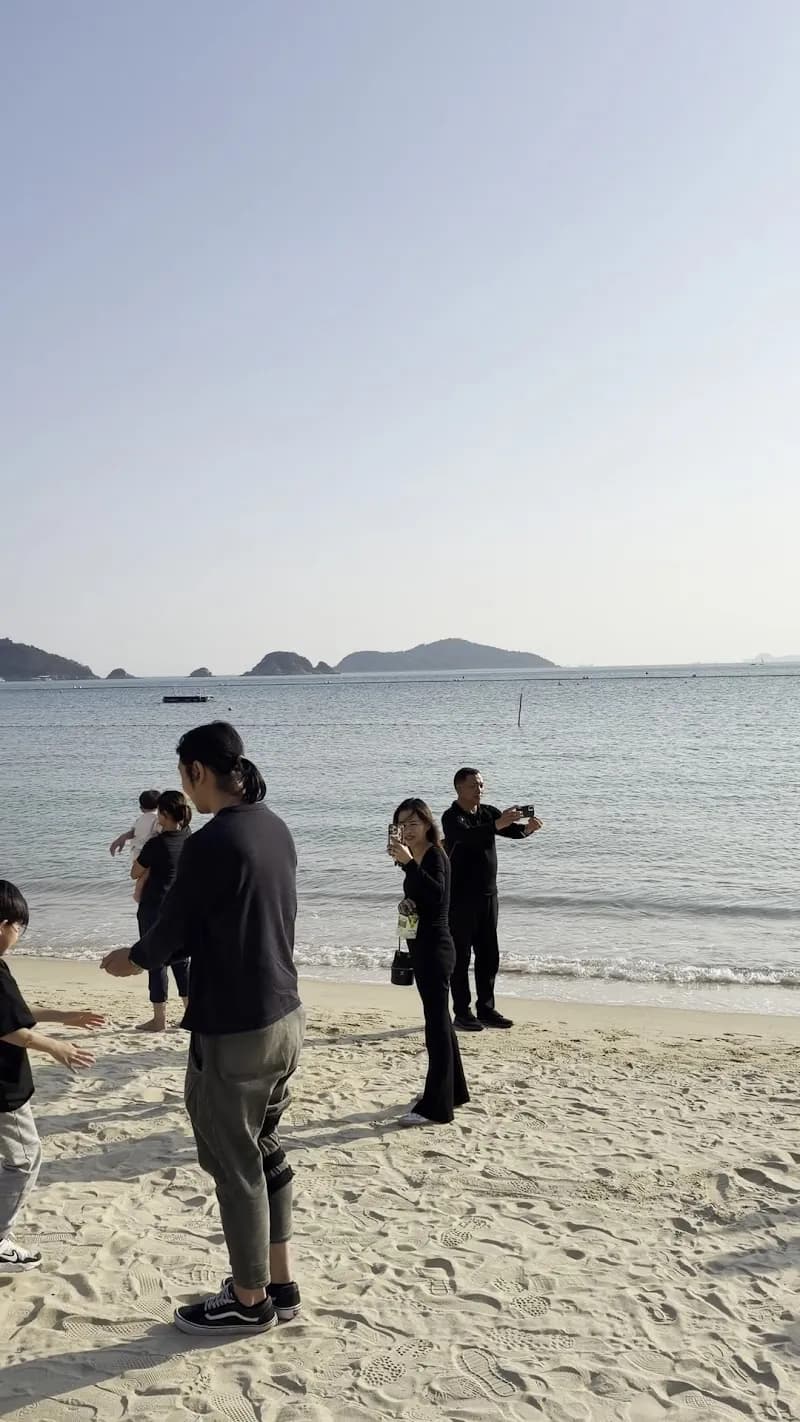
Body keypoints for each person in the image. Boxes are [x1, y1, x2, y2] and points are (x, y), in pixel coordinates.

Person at [101, 722, 304, 1338]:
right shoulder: (274, 827)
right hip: (285, 1017)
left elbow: (173, 932)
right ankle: (279, 1282)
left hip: (235, 1028)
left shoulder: (213, 842)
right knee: (265, 1149)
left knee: (232, 1161)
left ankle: (249, 1301)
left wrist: (130, 959)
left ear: (195, 772)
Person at [0, 880, 102, 1273]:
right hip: (5, 1090)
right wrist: (55, 1046)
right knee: (26, 1160)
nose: (19, 936)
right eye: (18, 927)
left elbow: (15, 1011)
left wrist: (65, 1016)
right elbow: (10, 1029)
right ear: (2, 924)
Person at [442, 768, 543, 1032]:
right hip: (461, 899)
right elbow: (467, 837)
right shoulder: (451, 817)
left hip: (488, 896)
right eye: (474, 785)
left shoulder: (487, 812)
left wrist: (528, 830)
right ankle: (462, 1012)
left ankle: (485, 1009)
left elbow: (510, 832)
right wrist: (497, 824)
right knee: (461, 957)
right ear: (459, 789)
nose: (480, 789)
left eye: (482, 785)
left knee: (488, 955)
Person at [388, 800, 469, 1127]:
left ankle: (436, 1107)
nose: (407, 830)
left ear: (426, 824)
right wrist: (409, 903)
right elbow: (424, 897)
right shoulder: (419, 857)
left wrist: (409, 865)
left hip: (436, 949)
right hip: (422, 946)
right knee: (441, 1023)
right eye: (401, 825)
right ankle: (455, 1092)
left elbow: (438, 895)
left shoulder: (435, 854)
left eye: (412, 823)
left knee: (435, 1028)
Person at [130, 790, 193, 1033]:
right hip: (181, 907)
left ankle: (159, 1020)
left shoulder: (156, 844)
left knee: (155, 962)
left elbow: (135, 872)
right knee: (181, 961)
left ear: (164, 815)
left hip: (154, 907)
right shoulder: (189, 837)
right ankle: (190, 1013)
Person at [109, 790, 161, 875]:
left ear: (141, 808)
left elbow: (132, 833)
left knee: (140, 877)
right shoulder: (158, 819)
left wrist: (121, 838)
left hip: (136, 852)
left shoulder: (140, 819)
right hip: (150, 854)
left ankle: (138, 888)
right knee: (147, 876)